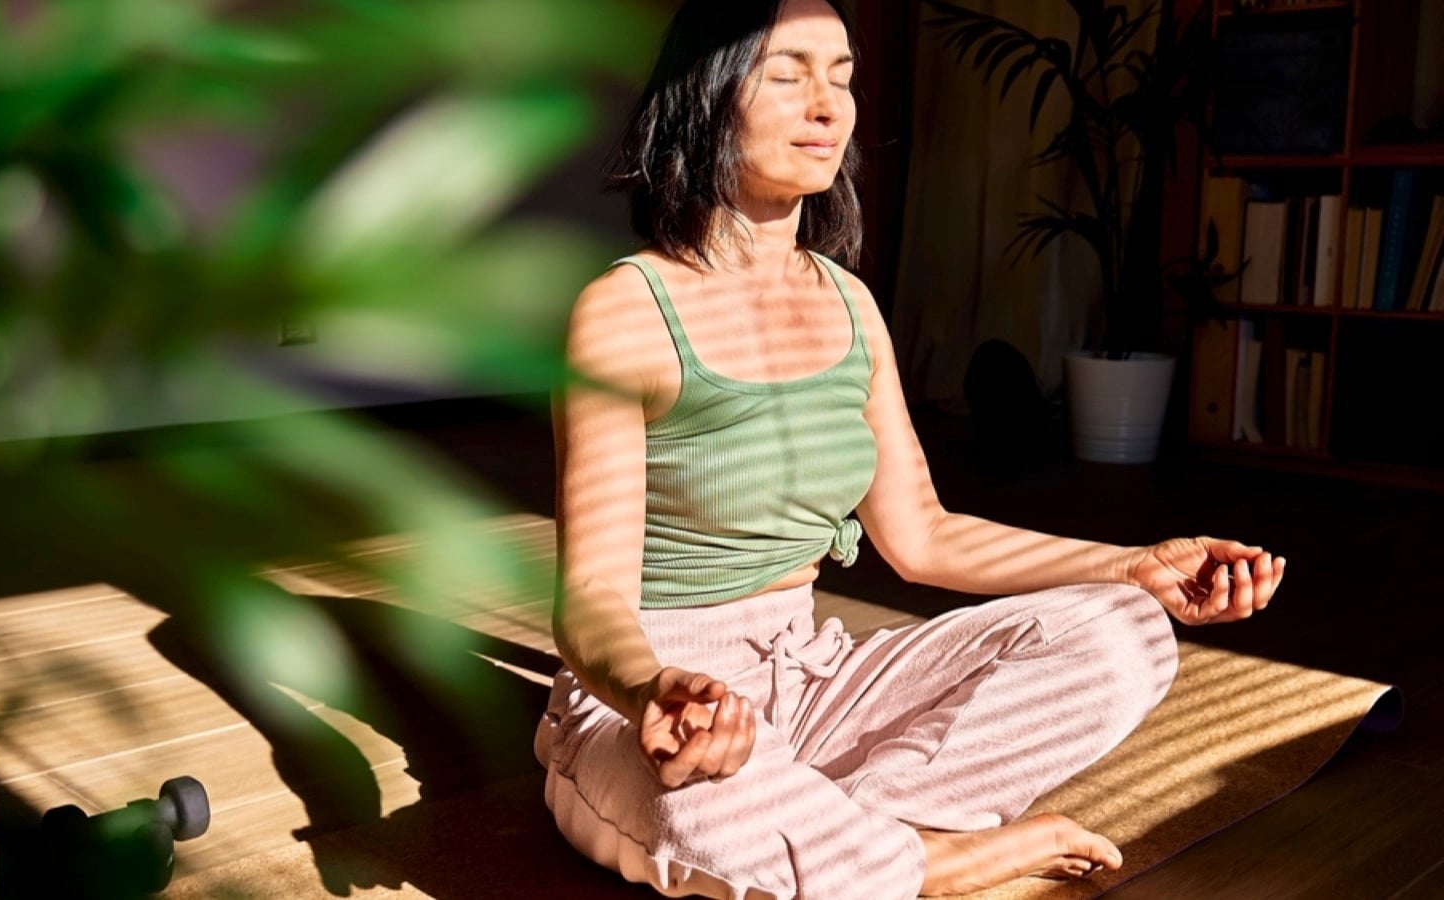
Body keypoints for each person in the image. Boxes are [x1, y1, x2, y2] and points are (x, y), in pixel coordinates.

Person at [533, 1, 1286, 897]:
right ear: (705, 97)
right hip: (661, 702)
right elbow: (590, 598)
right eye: (787, 73)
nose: (829, 106)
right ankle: (922, 855)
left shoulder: (850, 304)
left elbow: (923, 535)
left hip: (812, 675)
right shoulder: (625, 314)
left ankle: (861, 838)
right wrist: (656, 690)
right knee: (699, 810)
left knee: (1126, 633)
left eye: (843, 77)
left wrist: (1134, 568)